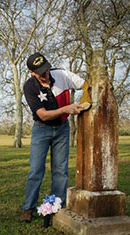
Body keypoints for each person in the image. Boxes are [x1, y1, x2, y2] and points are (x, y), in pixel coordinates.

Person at [20, 52, 87, 223]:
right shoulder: (29, 87)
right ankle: (28, 208)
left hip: (62, 129)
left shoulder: (62, 75)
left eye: (46, 70)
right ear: (31, 72)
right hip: (41, 130)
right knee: (36, 170)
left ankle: (56, 206)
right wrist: (66, 109)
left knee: (60, 170)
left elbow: (87, 85)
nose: (45, 75)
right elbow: (42, 115)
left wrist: (87, 102)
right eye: (40, 72)